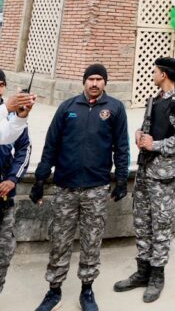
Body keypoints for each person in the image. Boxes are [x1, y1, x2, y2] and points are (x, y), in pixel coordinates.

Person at [30, 64, 129, 311]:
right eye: (90, 79)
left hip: (96, 188)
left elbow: (122, 147)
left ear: (105, 82)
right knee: (59, 240)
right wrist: (40, 180)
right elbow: (50, 145)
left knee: (91, 240)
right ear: (84, 81)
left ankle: (87, 290)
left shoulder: (115, 108)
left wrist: (122, 180)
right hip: (65, 187)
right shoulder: (67, 108)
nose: (94, 83)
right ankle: (54, 291)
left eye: (99, 79)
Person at [114, 57, 175, 302]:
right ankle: (143, 271)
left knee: (160, 225)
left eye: (155, 70)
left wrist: (156, 144)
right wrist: (140, 134)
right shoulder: (154, 99)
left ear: (164, 74)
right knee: (141, 221)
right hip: (145, 170)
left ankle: (157, 276)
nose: (152, 73)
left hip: (164, 174)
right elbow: (148, 127)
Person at [0, 71, 32, 294]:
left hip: (3, 198)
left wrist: (20, 116)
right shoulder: (4, 111)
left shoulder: (8, 114)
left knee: (3, 252)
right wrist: (6, 109)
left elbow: (12, 139)